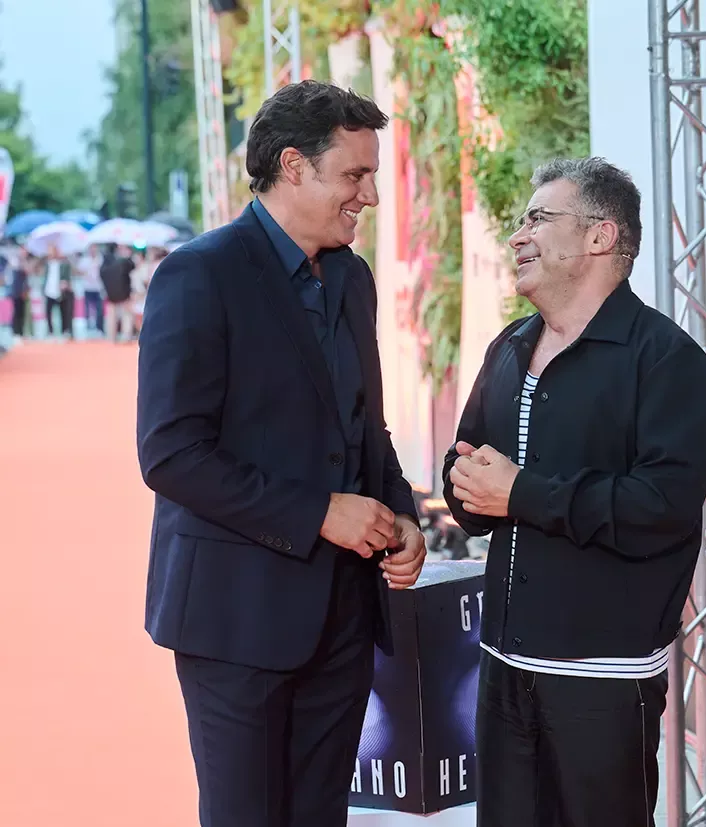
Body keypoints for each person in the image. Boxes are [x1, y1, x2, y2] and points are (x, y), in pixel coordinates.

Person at [136, 80, 426, 827]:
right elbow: (170, 452)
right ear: (293, 166)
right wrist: (318, 513)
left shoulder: (353, 280)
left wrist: (400, 513)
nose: (369, 195)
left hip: (343, 615)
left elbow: (366, 429)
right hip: (234, 618)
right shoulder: (199, 275)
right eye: (354, 175)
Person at [443, 157, 706, 827]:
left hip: (601, 678)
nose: (518, 235)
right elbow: (469, 485)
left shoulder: (666, 360)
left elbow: (659, 509)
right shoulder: (507, 347)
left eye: (538, 218)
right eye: (521, 221)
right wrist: (466, 488)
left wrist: (521, 493)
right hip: (502, 666)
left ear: (600, 236)